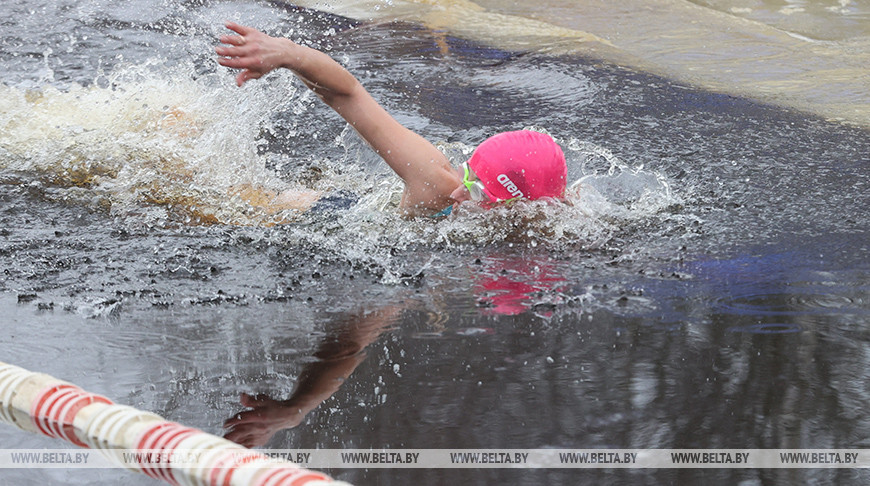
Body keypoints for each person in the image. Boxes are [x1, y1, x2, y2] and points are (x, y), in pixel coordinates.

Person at [216, 22, 567, 218]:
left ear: (521, 208)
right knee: (221, 202)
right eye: (467, 173)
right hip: (331, 215)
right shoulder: (436, 187)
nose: (460, 190)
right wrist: (289, 54)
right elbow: (349, 93)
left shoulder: (546, 222)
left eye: (476, 189)